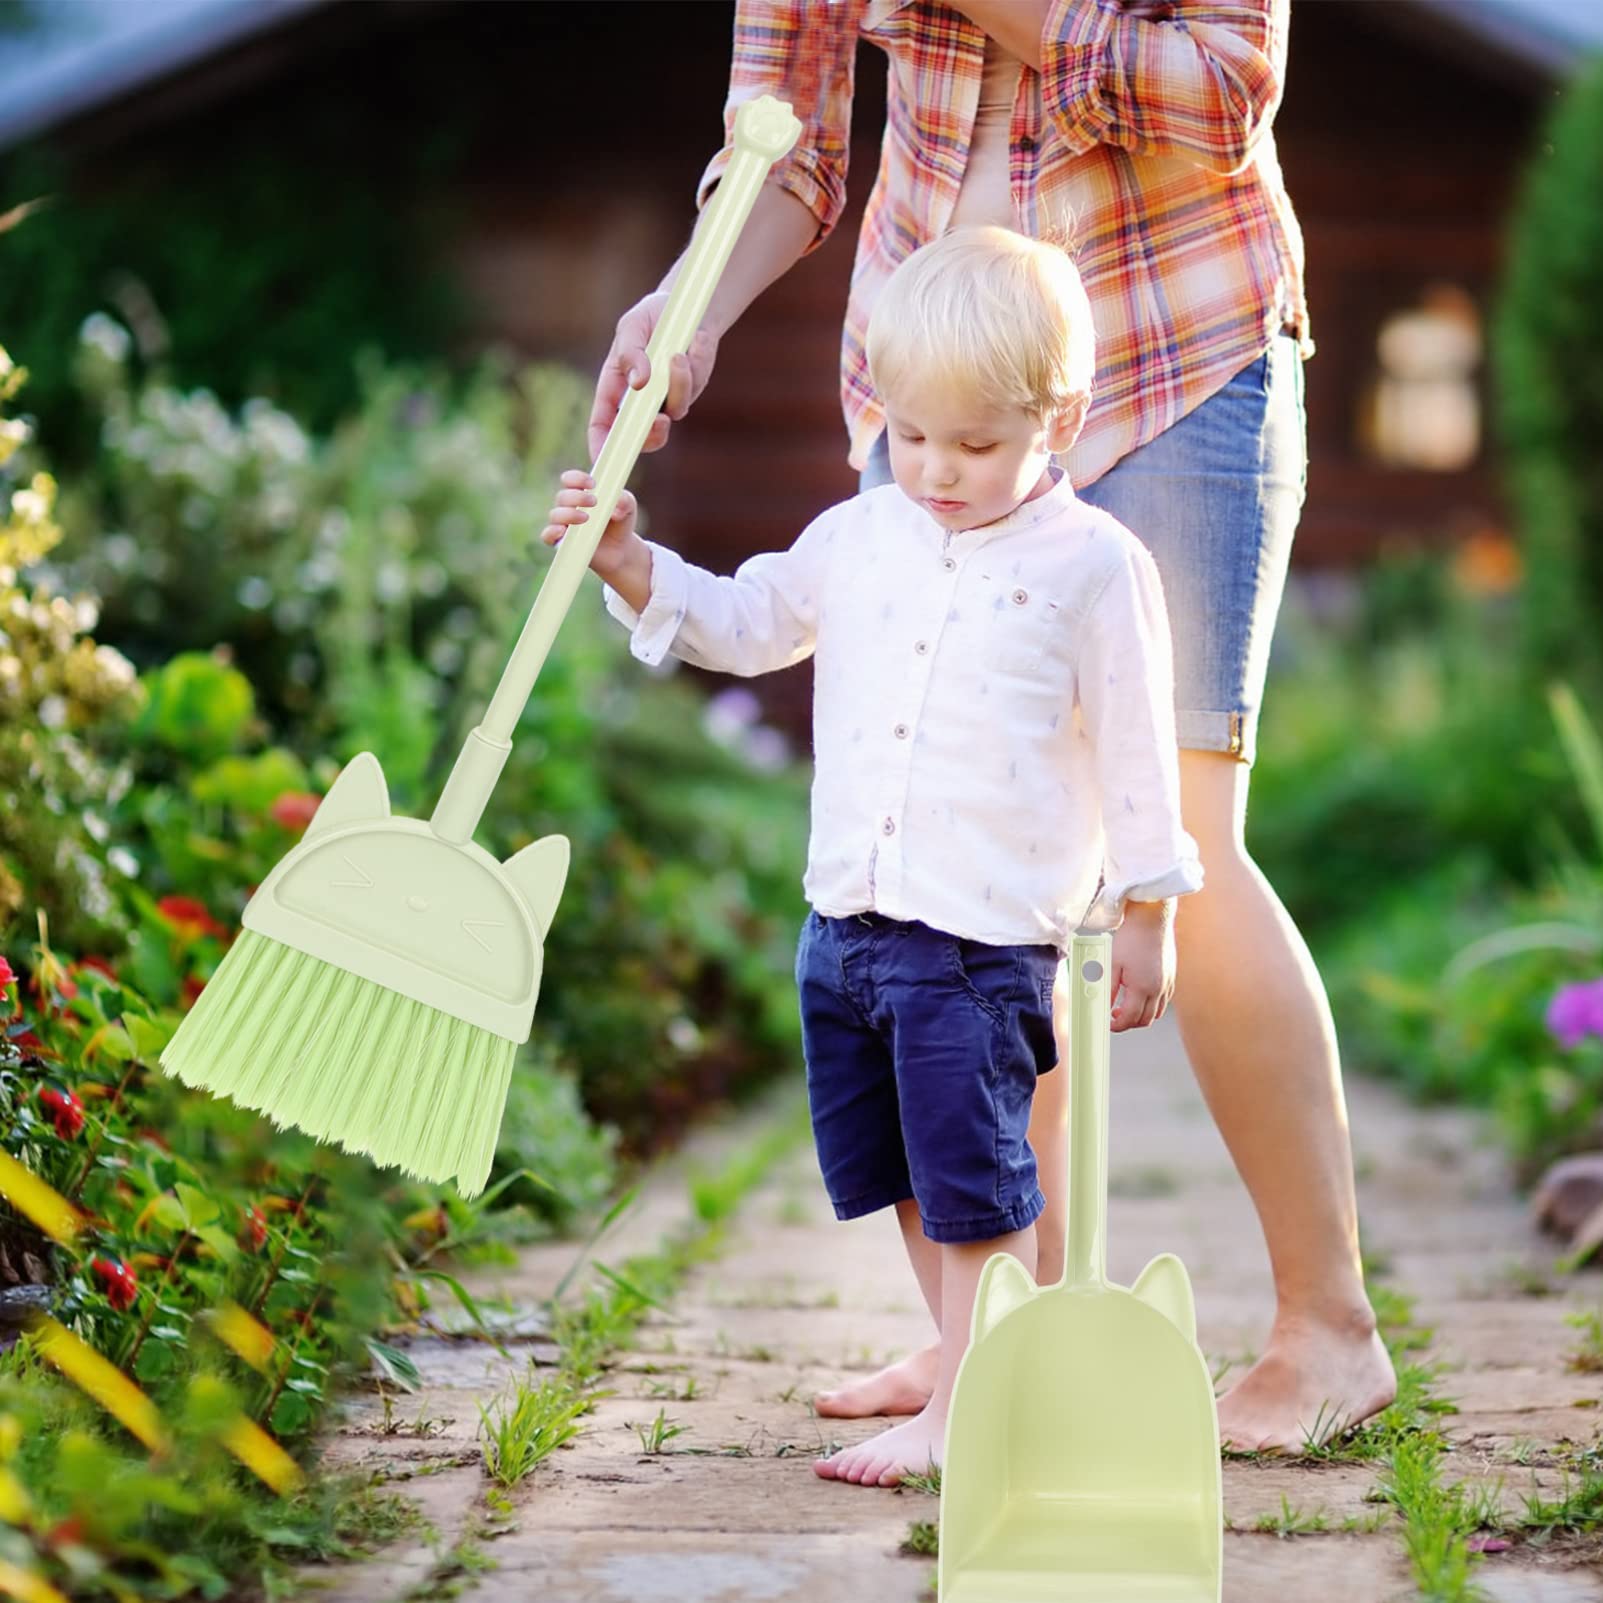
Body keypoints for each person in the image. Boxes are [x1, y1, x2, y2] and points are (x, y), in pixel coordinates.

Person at [584, 0, 1398, 1463]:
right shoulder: (912, 452)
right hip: (933, 375)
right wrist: (686, 311)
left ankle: (1322, 1324)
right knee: (971, 885)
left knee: (1182, 842)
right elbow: (784, 126)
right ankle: (994, 1338)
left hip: (1163, 345)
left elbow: (1224, 91)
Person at [547, 223, 1204, 1488]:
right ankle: (969, 1356)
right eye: (912, 438)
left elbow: (1132, 746)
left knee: (978, 1181)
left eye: (976, 445)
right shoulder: (860, 538)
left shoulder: (1091, 570)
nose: (939, 471)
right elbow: (745, 623)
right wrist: (634, 567)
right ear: (879, 412)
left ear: (1056, 419)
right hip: (846, 924)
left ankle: (977, 1405)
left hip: (977, 942)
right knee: (898, 1170)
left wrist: (1147, 907)